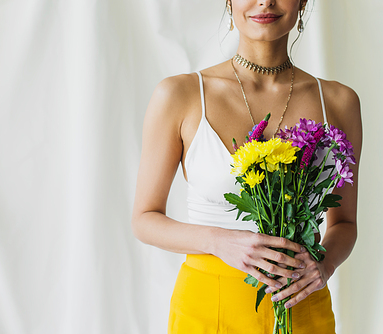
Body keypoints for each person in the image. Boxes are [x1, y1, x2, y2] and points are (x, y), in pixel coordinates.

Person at [132, 0, 362, 332]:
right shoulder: (180, 94)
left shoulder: (339, 102)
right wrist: (218, 241)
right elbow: (144, 219)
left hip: (302, 304)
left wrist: (324, 266)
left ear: (302, 1)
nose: (265, 1)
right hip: (209, 306)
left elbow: (346, 223)